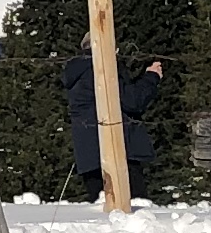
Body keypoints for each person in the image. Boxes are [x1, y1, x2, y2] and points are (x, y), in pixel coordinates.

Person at [66, 53, 167, 202]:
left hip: (88, 154)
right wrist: (151, 77)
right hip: (118, 148)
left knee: (102, 205)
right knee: (134, 207)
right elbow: (131, 101)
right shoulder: (104, 67)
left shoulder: (77, 73)